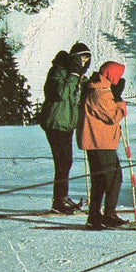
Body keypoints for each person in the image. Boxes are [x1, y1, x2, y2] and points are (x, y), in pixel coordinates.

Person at [40, 42, 92, 213]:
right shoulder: (60, 71)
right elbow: (62, 93)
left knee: (66, 162)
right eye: (81, 59)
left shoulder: (75, 76)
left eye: (86, 60)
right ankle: (58, 201)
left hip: (67, 124)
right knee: (62, 162)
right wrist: (74, 74)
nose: (84, 63)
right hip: (55, 123)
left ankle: (61, 197)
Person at [77, 60, 128, 229]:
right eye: (118, 75)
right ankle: (109, 214)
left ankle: (95, 216)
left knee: (99, 180)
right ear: (111, 75)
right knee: (114, 178)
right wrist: (119, 100)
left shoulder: (98, 89)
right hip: (101, 142)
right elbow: (113, 116)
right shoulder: (100, 93)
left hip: (96, 141)